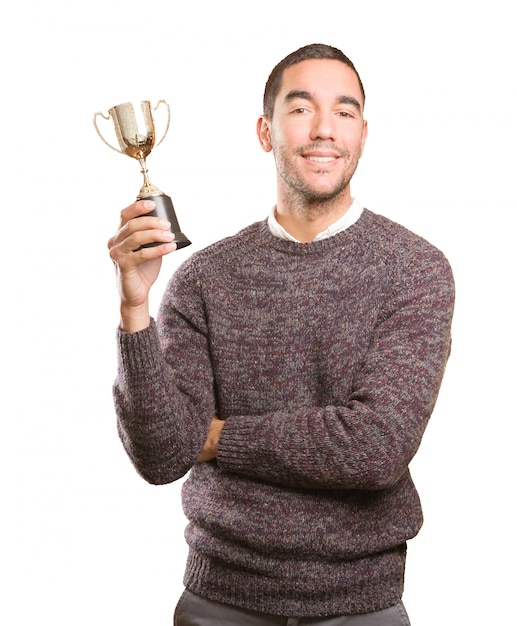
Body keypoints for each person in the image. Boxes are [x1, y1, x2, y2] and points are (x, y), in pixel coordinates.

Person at [108, 43, 455, 626]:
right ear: (266, 131)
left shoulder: (414, 269)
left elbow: (375, 449)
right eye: (301, 109)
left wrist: (218, 438)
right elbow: (163, 453)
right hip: (218, 602)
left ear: (363, 134)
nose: (324, 130)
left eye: (343, 112)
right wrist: (134, 306)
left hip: (360, 604)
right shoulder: (203, 277)